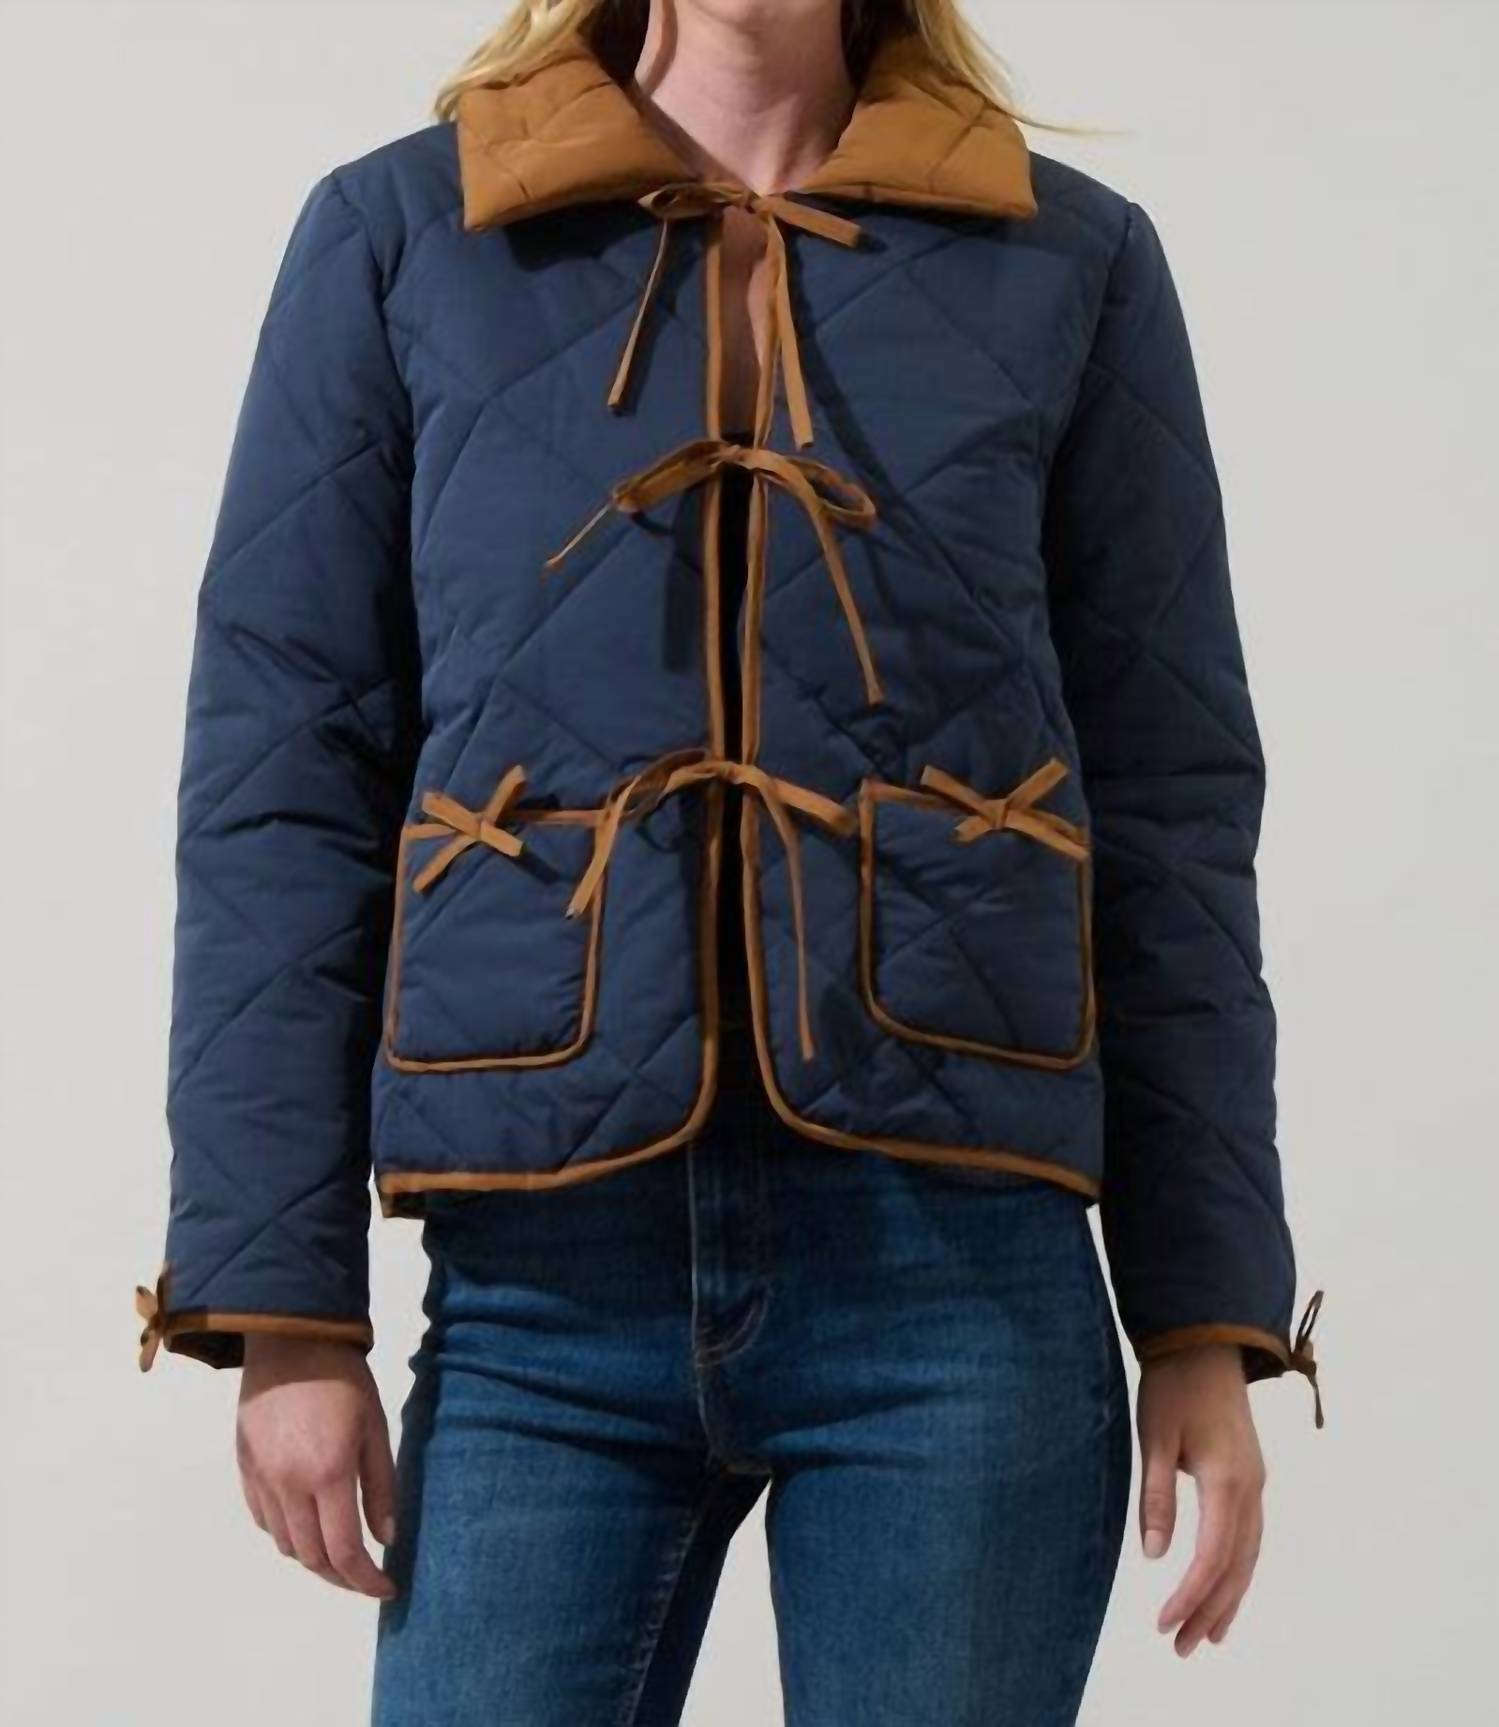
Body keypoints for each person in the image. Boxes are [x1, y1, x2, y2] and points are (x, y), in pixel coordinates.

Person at [135, 0, 1324, 1719]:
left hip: (960, 1291)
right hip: (544, 1294)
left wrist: (1204, 1314)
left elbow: (1171, 802)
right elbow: (281, 781)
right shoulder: (405, 237)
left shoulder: (1073, 261)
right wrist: (285, 1309)